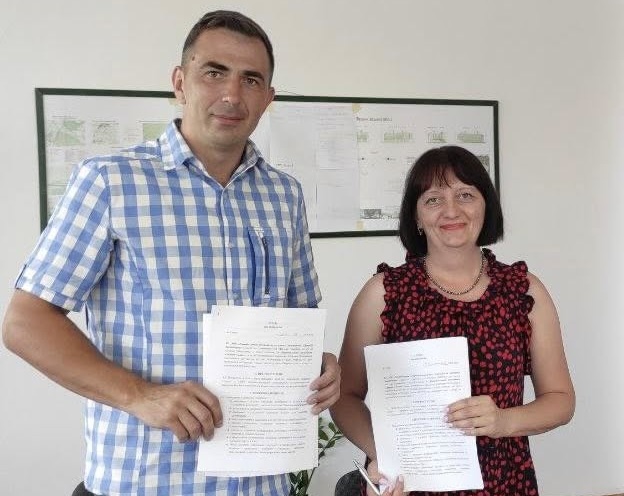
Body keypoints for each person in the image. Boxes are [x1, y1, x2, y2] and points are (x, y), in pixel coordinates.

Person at [2, 10, 340, 496]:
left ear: (268, 98)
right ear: (180, 82)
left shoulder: (284, 195)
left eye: (251, 79)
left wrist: (320, 366)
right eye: (214, 72)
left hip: (261, 480)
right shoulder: (110, 181)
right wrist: (141, 397)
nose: (232, 94)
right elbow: (25, 323)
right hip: (147, 480)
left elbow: (299, 317)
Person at [329, 145, 575, 496]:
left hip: (503, 483)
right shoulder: (384, 293)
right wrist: (385, 454)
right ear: (415, 216)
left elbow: (561, 400)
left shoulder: (523, 291)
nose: (451, 210)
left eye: (465, 195)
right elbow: (345, 395)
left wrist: (503, 420)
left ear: (486, 205)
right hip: (411, 485)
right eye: (433, 199)